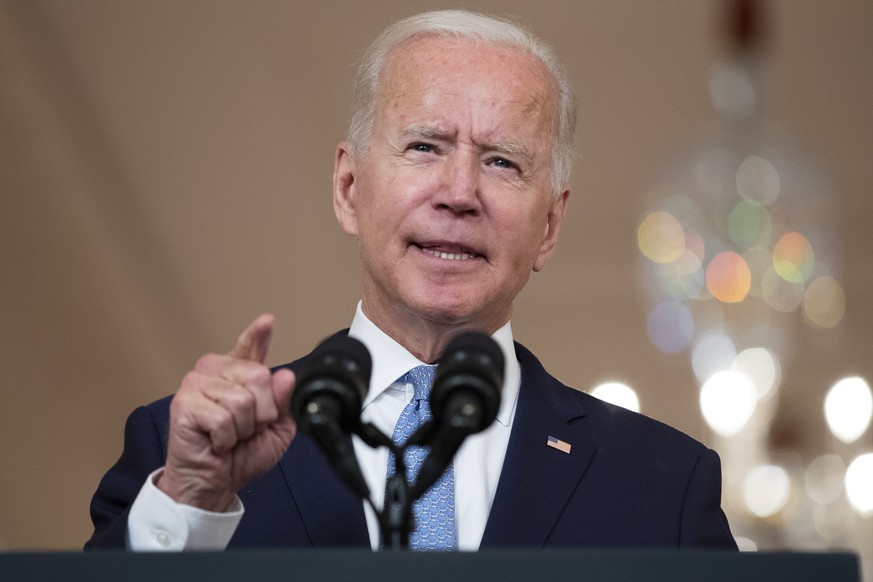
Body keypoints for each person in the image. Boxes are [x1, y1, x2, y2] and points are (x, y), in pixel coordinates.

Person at [86, 9, 737, 552]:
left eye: (502, 162)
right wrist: (192, 501)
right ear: (348, 187)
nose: (459, 193)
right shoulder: (180, 454)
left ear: (548, 225)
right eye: (424, 146)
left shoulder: (664, 486)